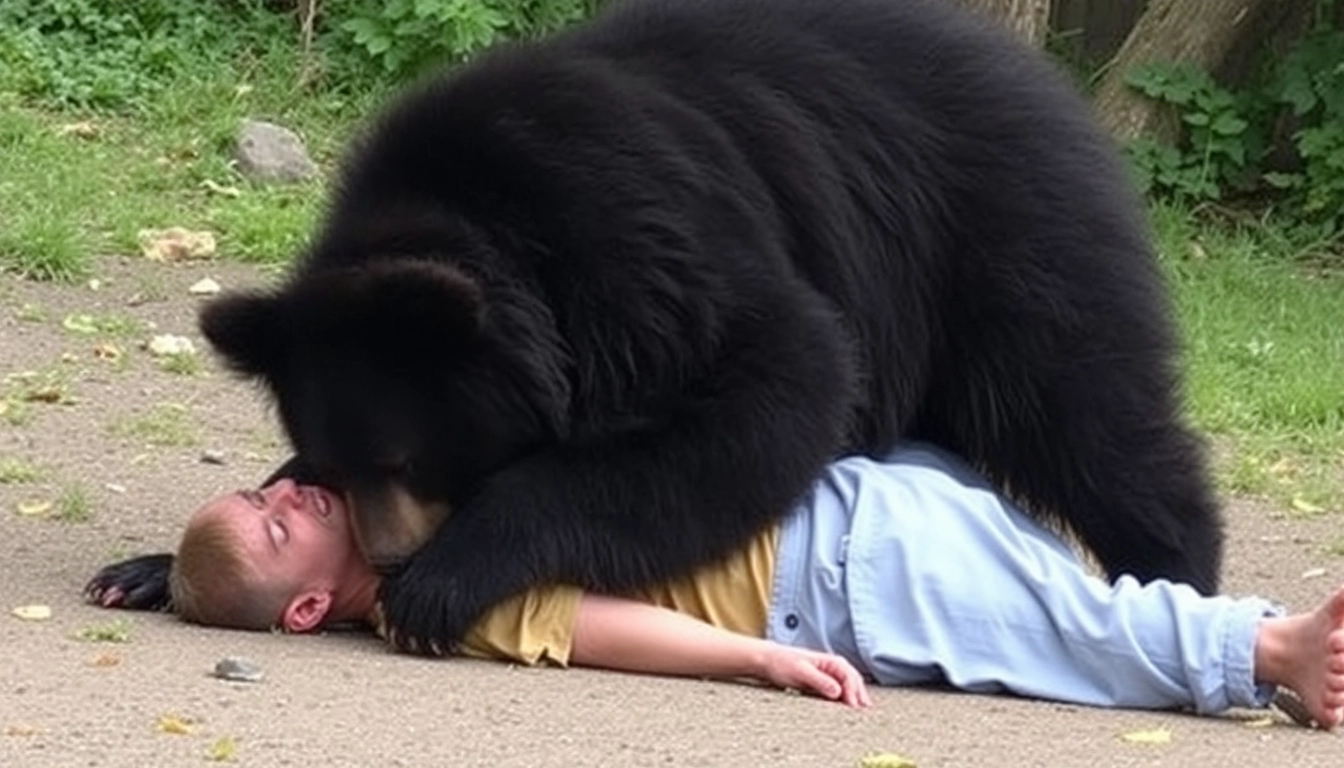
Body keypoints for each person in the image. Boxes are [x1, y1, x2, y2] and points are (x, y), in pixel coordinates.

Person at [98, 443, 1344, 729]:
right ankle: (1276, 653)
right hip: (844, 566)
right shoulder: (446, 598)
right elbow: (601, 631)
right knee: (1075, 627)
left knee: (1062, 613)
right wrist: (757, 657)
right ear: (310, 610)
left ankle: (1266, 649)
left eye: (268, 488)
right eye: (273, 526)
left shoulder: (418, 489)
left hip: (849, 510)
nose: (291, 492)